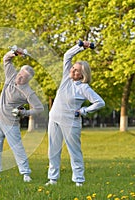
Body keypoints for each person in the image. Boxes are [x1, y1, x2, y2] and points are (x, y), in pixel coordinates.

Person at [45, 40, 105, 187]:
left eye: (77, 70)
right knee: (53, 150)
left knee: (74, 152)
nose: (72, 71)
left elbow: (100, 102)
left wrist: (84, 110)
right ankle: (52, 179)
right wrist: (80, 47)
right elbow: (67, 56)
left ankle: (79, 181)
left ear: (82, 74)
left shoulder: (84, 88)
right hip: (54, 118)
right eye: (73, 68)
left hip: (71, 121)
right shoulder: (66, 79)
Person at [0, 47, 44, 182]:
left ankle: (26, 174)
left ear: (28, 80)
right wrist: (15, 53)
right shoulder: (11, 75)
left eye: (24, 77)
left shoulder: (27, 91)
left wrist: (23, 113)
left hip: (10, 123)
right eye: (20, 74)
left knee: (17, 149)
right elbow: (6, 59)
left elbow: (39, 108)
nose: (20, 78)